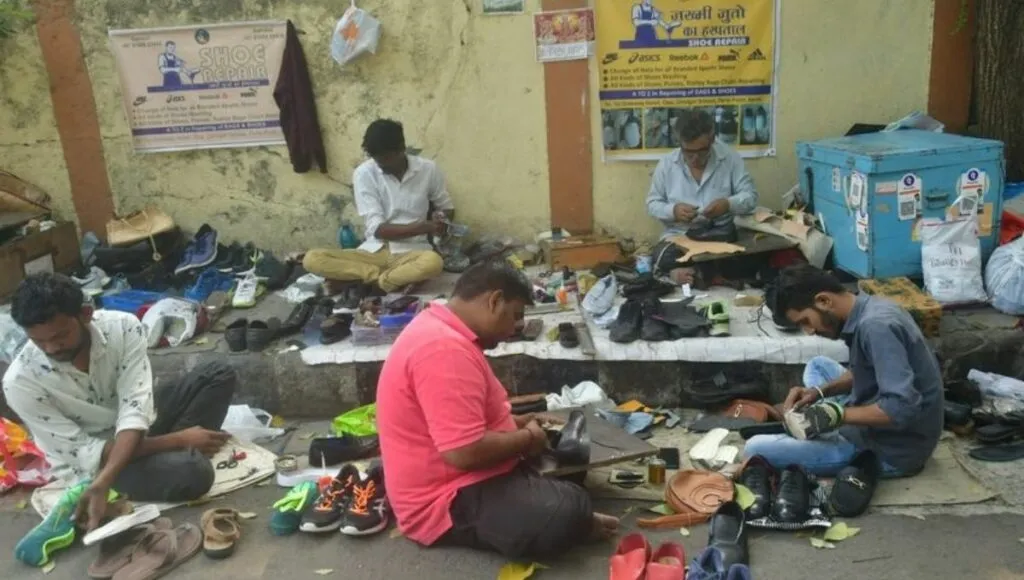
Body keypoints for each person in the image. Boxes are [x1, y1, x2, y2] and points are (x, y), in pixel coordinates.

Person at [376, 261, 619, 559]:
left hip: (458, 475)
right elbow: (463, 452)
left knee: (572, 470)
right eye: (515, 316)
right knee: (569, 510)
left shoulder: (440, 329)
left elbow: (461, 417)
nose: (513, 329)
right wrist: (527, 439)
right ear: (494, 301)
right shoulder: (444, 350)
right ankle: (570, 518)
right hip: (443, 499)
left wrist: (516, 422)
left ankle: (556, 506)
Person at [3, 273, 236, 532]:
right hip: (98, 469)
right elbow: (91, 452)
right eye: (38, 341)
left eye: (61, 336)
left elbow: (134, 409)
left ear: (85, 314)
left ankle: (169, 459)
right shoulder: (20, 382)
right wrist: (180, 439)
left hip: (139, 428)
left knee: (217, 374)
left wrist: (174, 438)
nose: (51, 349)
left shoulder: (123, 328)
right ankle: (177, 457)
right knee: (196, 473)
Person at [744, 265, 944, 477]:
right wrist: (819, 392)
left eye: (805, 321)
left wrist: (837, 415)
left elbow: (901, 408)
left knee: (754, 448)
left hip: (892, 450)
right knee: (818, 364)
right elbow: (867, 369)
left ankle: (828, 429)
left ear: (823, 301)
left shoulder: (876, 327)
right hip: (884, 418)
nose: (809, 331)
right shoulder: (869, 306)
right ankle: (823, 419)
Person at [302, 119, 453, 294]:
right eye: (376, 158)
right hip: (374, 251)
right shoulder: (364, 173)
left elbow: (446, 207)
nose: (381, 163)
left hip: (413, 252)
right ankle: (384, 279)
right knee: (312, 259)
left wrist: (441, 220)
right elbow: (379, 230)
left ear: (401, 148)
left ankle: (364, 281)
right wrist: (424, 227)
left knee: (433, 263)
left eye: (386, 158)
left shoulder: (428, 169)